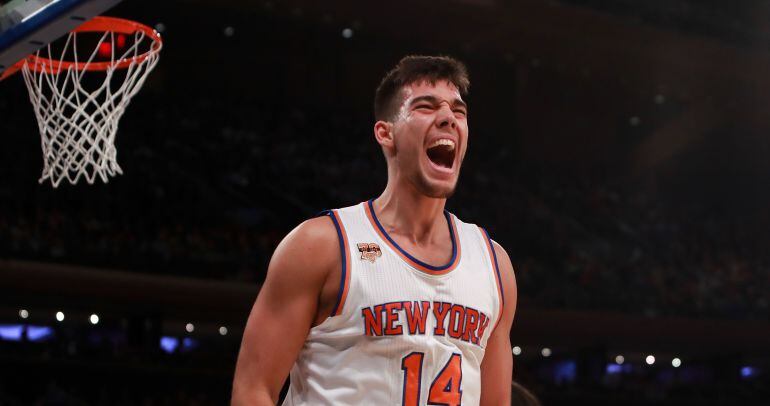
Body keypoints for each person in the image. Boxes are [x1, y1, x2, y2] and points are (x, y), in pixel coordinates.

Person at [231, 55, 517, 405]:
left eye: (459, 112)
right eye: (426, 107)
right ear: (386, 133)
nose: (448, 118)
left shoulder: (494, 264)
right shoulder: (321, 245)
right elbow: (252, 390)